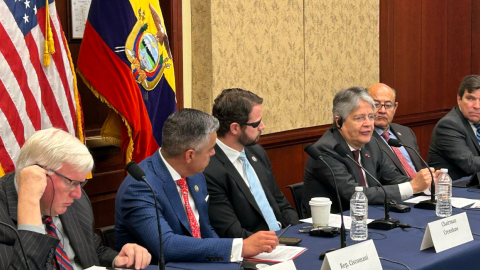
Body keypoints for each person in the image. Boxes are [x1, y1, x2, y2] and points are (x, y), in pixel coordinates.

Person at [115, 109, 278, 263]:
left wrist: (230, 258)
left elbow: (205, 231)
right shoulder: (140, 187)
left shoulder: (195, 174)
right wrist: (239, 247)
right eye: (210, 149)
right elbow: (166, 245)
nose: (213, 153)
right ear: (190, 155)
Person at [0, 128, 151, 270]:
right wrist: (29, 202)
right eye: (71, 182)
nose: (78, 194)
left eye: (80, 183)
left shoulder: (76, 201)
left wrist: (116, 259)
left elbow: (92, 250)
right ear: (37, 174)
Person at [302, 87, 437, 214]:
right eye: (359, 118)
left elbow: (393, 178)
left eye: (371, 117)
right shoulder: (325, 151)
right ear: (339, 122)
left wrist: (425, 184)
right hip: (334, 228)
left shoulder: (371, 143)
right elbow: (353, 195)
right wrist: (412, 187)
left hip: (371, 216)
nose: (368, 124)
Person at [203, 88, 299, 239]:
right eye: (256, 123)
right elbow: (231, 232)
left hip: (284, 238)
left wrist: (297, 231)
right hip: (254, 248)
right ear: (235, 128)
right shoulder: (210, 169)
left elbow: (281, 204)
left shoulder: (257, 152)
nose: (262, 126)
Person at [429, 75, 480, 180]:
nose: (477, 106)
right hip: (452, 190)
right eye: (470, 98)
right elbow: (470, 164)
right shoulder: (448, 125)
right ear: (459, 99)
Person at [368, 83, 423, 177]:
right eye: (376, 105)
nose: (382, 111)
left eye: (388, 105)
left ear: (395, 107)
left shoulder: (406, 132)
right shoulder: (365, 138)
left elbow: (420, 166)